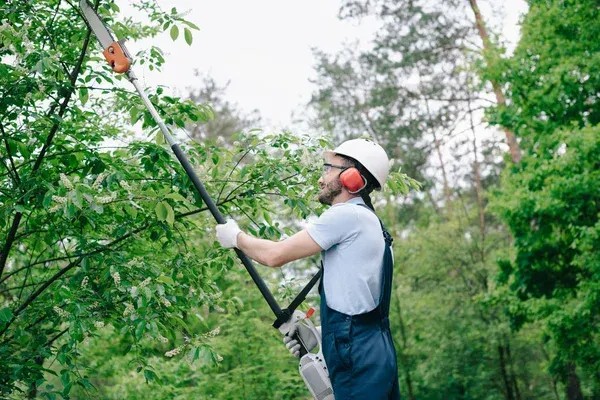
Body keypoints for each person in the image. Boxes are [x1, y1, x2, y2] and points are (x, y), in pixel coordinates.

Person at [215, 138, 401, 399]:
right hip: (373, 351)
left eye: (328, 168)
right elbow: (360, 302)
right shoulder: (373, 226)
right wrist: (323, 334)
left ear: (352, 178)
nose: (321, 179)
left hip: (356, 355)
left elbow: (274, 255)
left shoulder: (347, 215)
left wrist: (236, 237)